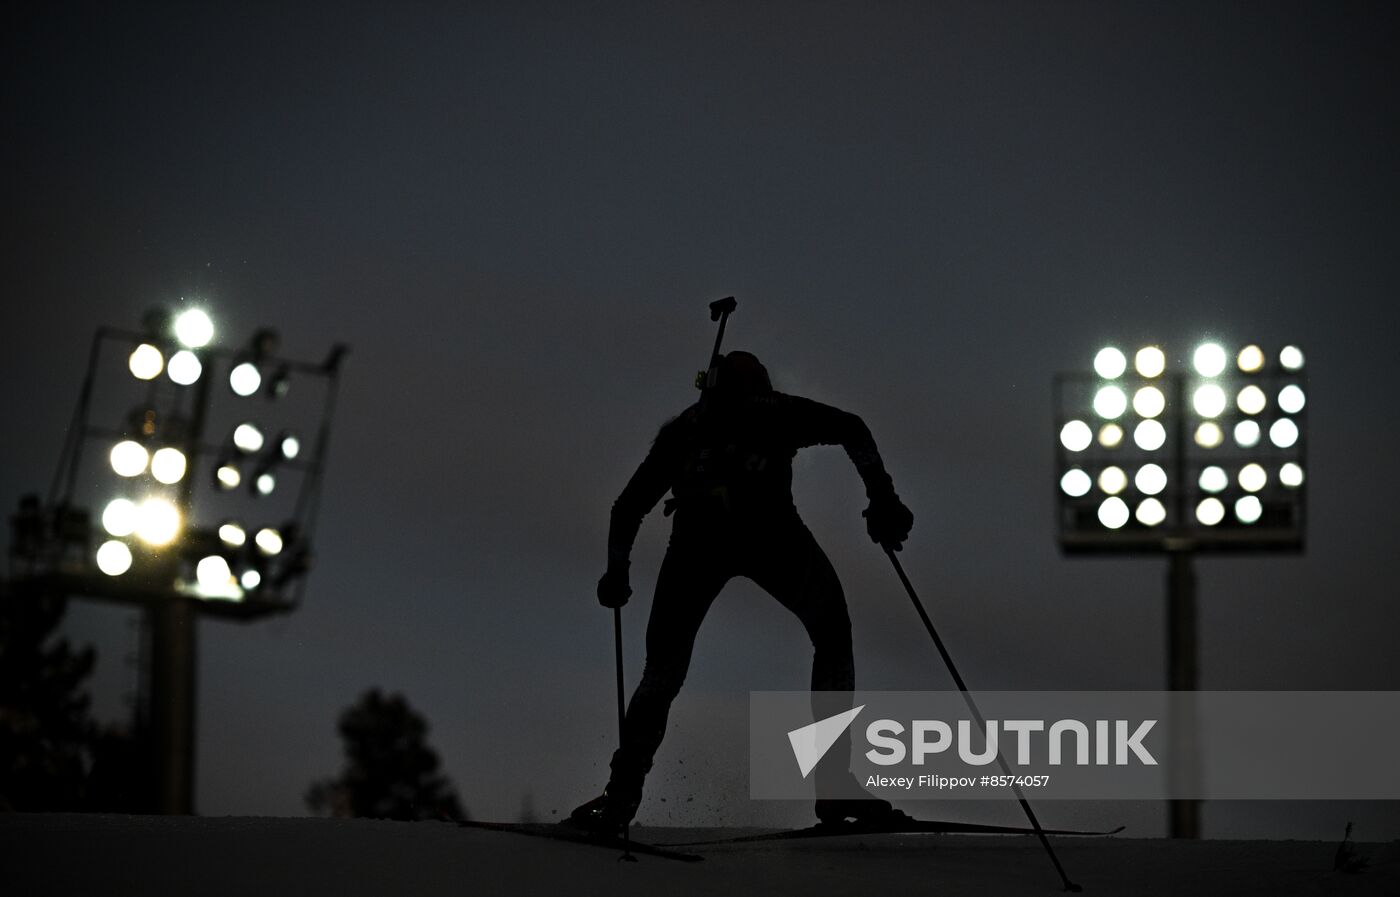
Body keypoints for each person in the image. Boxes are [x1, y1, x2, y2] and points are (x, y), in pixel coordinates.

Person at [570, 351, 914, 832]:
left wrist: (616, 571)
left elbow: (627, 509)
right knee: (832, 635)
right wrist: (883, 497)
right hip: (771, 536)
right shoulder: (772, 410)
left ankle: (622, 795)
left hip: (697, 547)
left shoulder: (685, 430)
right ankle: (834, 787)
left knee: (662, 672)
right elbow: (852, 428)